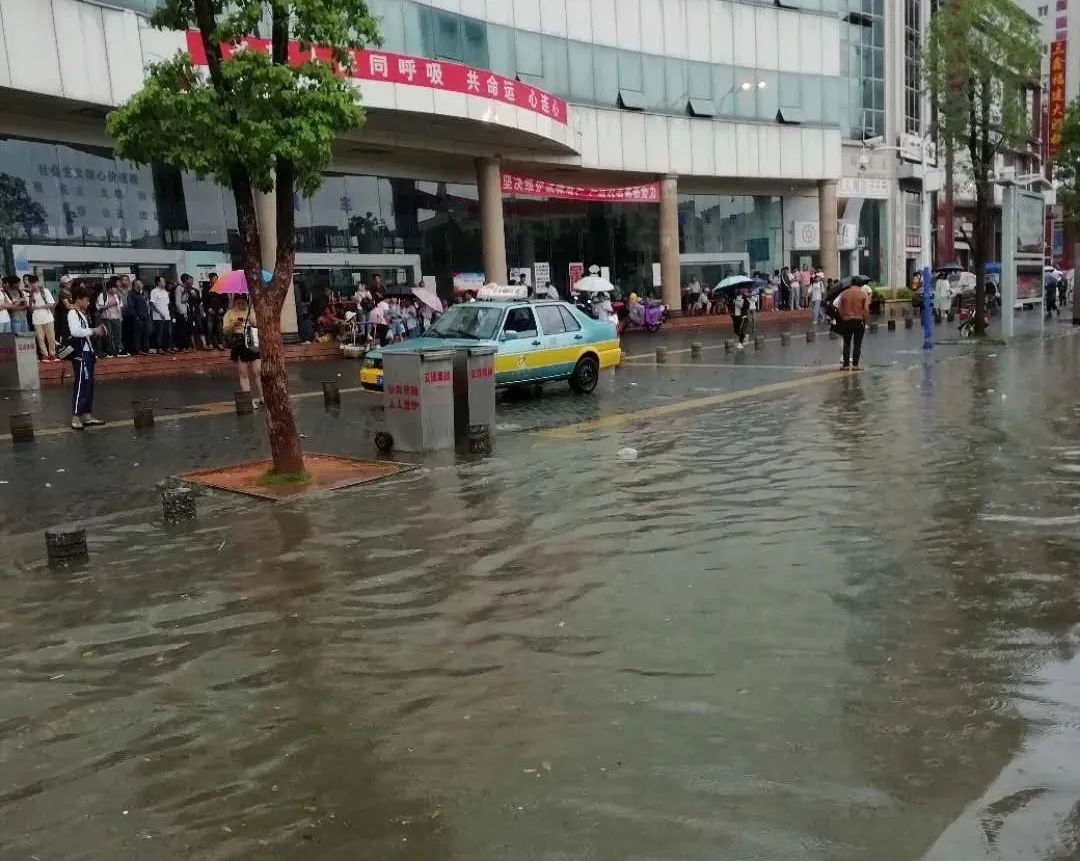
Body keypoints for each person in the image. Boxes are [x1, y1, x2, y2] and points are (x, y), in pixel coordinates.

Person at [67, 283, 107, 429]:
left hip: (87, 352)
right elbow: (75, 332)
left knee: (89, 385)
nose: (88, 303)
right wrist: (93, 330)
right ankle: (75, 416)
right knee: (81, 385)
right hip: (80, 354)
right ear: (78, 299)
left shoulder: (82, 313)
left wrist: (94, 332)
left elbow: (84, 333)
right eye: (86, 300)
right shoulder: (73, 313)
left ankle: (87, 415)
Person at [223, 295, 263, 407]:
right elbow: (225, 331)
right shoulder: (229, 314)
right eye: (238, 303)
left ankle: (263, 397)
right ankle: (249, 400)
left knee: (258, 370)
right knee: (243, 373)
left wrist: (251, 318)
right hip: (239, 341)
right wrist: (233, 325)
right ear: (235, 302)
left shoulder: (251, 311)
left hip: (251, 339)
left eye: (243, 303)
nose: (241, 305)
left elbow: (258, 324)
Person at [835, 279, 870, 370]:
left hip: (846, 320)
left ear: (851, 284)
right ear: (860, 284)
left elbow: (839, 307)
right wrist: (864, 319)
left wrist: (843, 316)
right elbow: (866, 309)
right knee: (857, 343)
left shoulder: (844, 293)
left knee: (846, 343)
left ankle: (846, 365)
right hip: (859, 320)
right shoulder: (863, 294)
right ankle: (855, 365)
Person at [27, 276, 58, 361]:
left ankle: (52, 354)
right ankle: (44, 354)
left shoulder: (45, 291)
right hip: (36, 319)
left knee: (51, 337)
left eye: (34, 282)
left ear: (38, 282)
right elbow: (30, 308)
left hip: (47, 318)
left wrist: (39, 307)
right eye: (31, 283)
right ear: (29, 284)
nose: (33, 285)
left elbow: (51, 304)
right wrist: (30, 300)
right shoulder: (30, 294)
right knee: (40, 339)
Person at [95, 277, 126, 357]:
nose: (115, 289)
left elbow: (121, 305)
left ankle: (119, 349)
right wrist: (108, 305)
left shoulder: (117, 295)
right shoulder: (103, 295)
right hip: (106, 317)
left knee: (118, 334)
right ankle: (110, 349)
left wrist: (118, 303)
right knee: (109, 334)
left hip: (117, 317)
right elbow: (98, 307)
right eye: (114, 288)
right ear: (109, 288)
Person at [126, 279, 152, 354]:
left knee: (146, 333)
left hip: (146, 316)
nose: (141, 284)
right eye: (139, 283)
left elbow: (147, 304)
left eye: (141, 283)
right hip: (137, 316)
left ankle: (146, 348)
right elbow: (131, 306)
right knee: (138, 333)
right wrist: (135, 316)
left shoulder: (143, 293)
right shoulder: (131, 293)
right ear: (135, 285)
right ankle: (137, 348)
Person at [149, 276, 174, 352]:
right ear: (158, 282)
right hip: (158, 316)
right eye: (163, 281)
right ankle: (159, 348)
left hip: (167, 315)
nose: (164, 283)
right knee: (159, 333)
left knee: (168, 332)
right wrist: (160, 313)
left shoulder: (165, 292)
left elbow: (167, 304)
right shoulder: (154, 291)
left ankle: (167, 347)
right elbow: (152, 304)